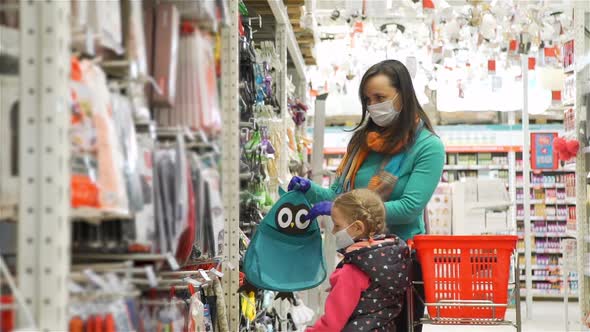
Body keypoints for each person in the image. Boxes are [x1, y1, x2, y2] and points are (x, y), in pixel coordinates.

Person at [290, 59, 445, 331]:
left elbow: (409, 207)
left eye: (380, 97)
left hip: (399, 267)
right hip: (359, 259)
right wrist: (310, 190)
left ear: (403, 95)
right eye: (368, 99)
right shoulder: (361, 142)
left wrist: (350, 211)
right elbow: (340, 194)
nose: (373, 106)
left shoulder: (427, 147)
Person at [306, 189, 412, 332]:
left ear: (357, 227)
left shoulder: (353, 269)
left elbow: (332, 324)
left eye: (337, 226)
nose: (333, 232)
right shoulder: (390, 258)